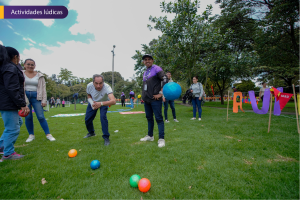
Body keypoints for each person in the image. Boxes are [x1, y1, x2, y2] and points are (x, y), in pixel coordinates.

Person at [0, 45, 29, 161]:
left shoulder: (5, 67)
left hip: (6, 103)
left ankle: (2, 145)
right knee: (12, 128)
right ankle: (8, 154)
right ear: (16, 57)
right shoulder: (10, 68)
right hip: (8, 103)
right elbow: (12, 88)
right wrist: (22, 104)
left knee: (18, 122)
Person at [23, 58, 56, 142]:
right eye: (28, 64)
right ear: (24, 65)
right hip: (24, 97)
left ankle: (48, 134)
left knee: (41, 116)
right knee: (28, 117)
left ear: (35, 66)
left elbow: (43, 88)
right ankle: (31, 135)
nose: (30, 66)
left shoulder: (40, 75)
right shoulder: (20, 74)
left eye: (32, 64)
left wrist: (44, 100)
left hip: (37, 97)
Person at [140, 54, 167, 148]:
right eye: (145, 60)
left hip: (155, 100)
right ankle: (150, 136)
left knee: (159, 118)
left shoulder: (156, 68)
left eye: (149, 59)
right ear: (143, 62)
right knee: (149, 118)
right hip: (147, 100)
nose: (147, 61)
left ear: (152, 60)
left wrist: (161, 93)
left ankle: (161, 139)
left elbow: (165, 78)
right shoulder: (145, 71)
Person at [84, 74, 116, 146]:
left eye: (100, 83)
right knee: (87, 119)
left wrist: (100, 103)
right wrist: (92, 103)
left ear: (103, 82)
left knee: (103, 117)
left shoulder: (107, 87)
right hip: (93, 102)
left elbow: (113, 101)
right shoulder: (89, 86)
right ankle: (91, 132)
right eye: (96, 83)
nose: (98, 86)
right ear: (93, 82)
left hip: (104, 102)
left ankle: (106, 137)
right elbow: (89, 96)